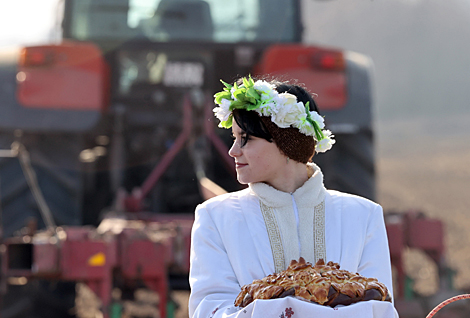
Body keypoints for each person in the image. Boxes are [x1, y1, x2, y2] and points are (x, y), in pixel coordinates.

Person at [189, 76, 398, 318]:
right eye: (234, 138)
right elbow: (209, 311)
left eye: (246, 139)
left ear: (286, 142)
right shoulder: (215, 217)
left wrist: (272, 302)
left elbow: (380, 309)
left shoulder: (363, 216)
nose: (233, 151)